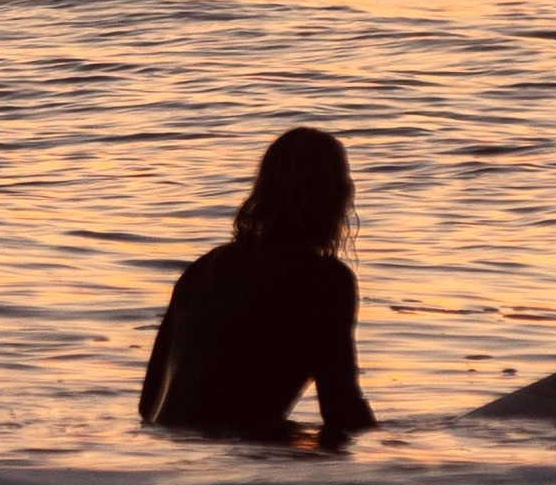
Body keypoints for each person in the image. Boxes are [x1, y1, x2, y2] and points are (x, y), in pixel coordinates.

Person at [138, 126, 377, 443]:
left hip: (169, 452)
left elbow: (148, 406)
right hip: (236, 455)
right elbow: (341, 410)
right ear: (335, 197)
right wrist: (395, 451)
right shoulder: (324, 280)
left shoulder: (203, 269)